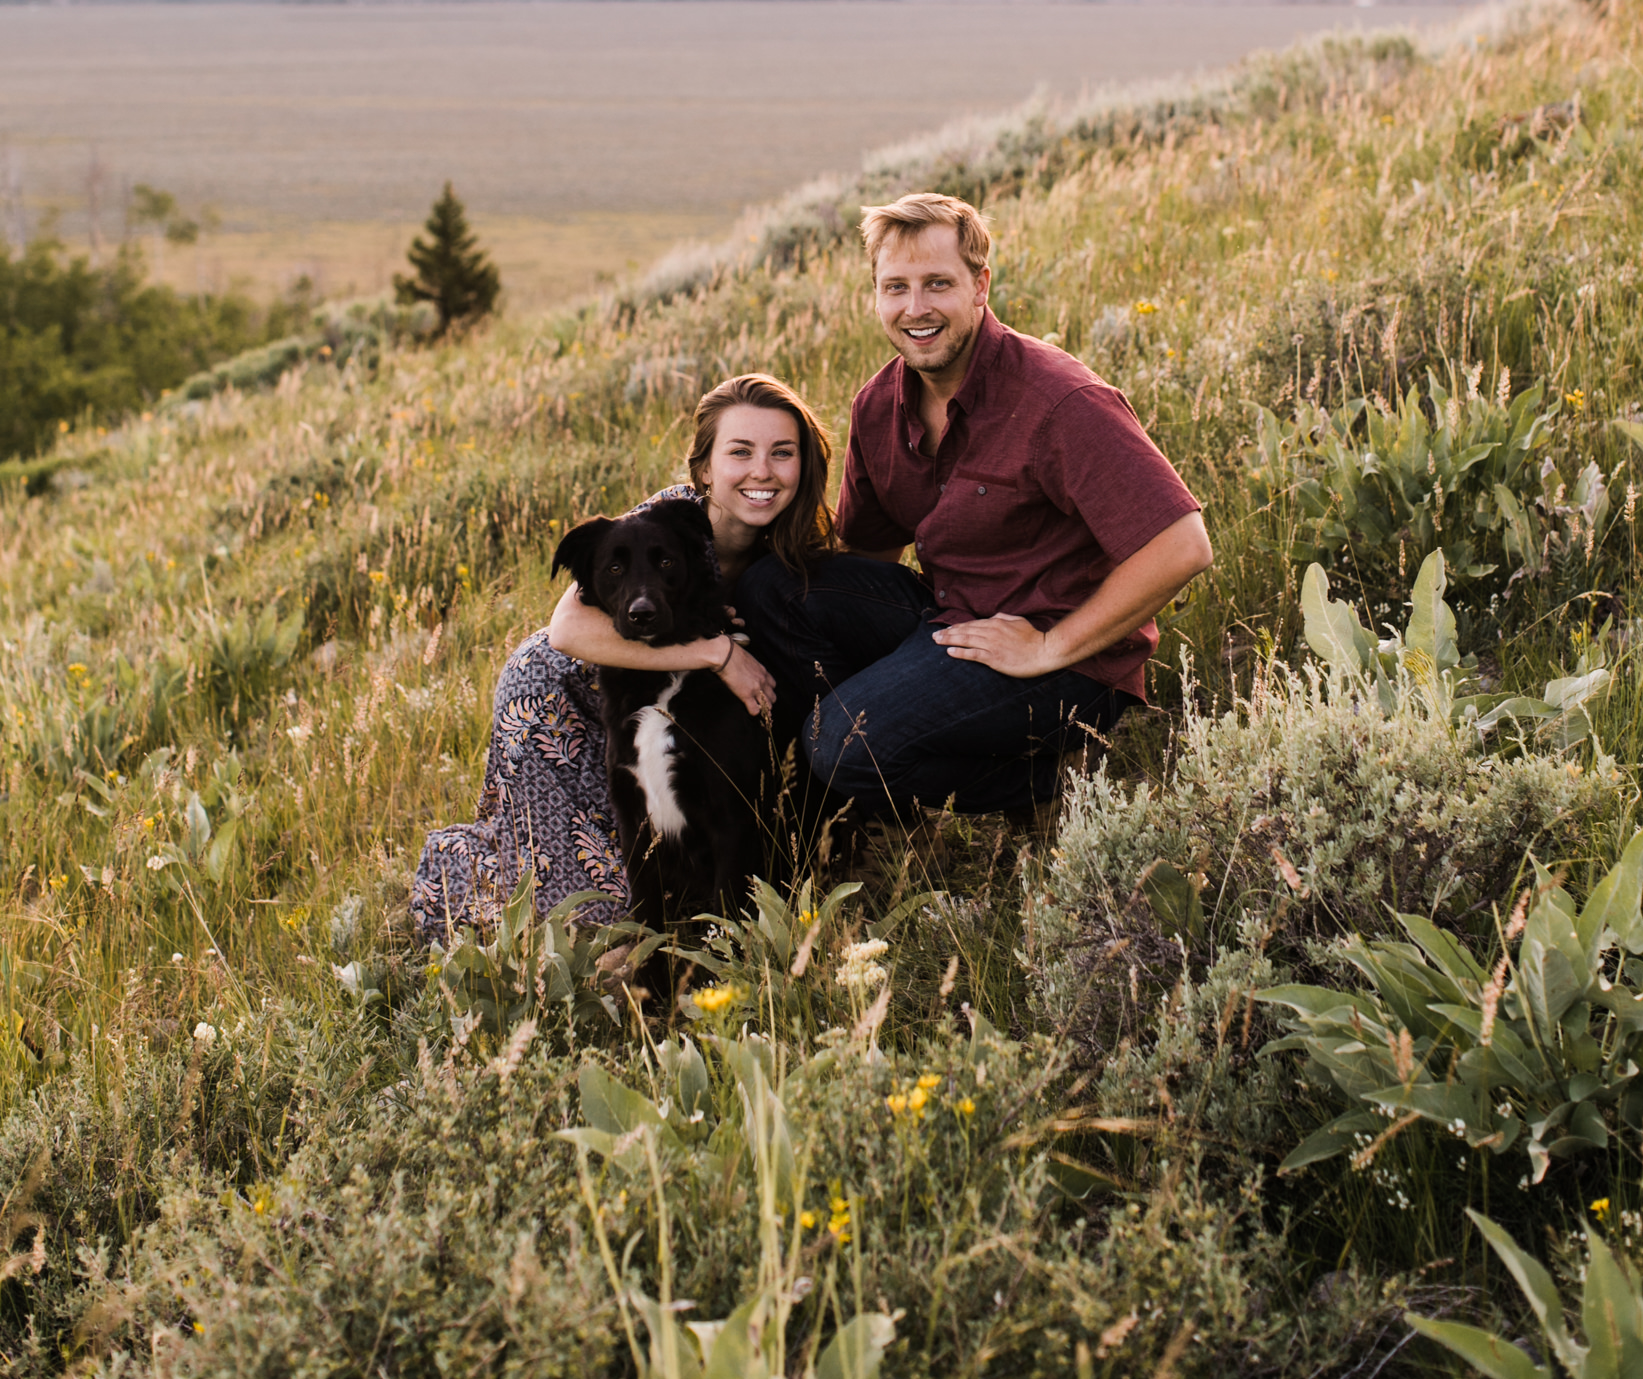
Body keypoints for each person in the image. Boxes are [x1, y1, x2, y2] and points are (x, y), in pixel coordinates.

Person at [737, 192, 1213, 823]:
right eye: (895, 287)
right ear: (876, 294)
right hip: (952, 623)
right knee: (776, 587)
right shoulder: (878, 406)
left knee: (839, 743)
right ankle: (861, 786)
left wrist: (1048, 647)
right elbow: (865, 559)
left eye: (938, 284)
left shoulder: (1058, 400)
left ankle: (1041, 784)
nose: (915, 309)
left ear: (980, 285)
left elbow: (1183, 544)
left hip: (1065, 658)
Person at [410, 372, 837, 937]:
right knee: (597, 893)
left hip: (651, 707)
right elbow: (565, 629)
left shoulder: (800, 542)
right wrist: (716, 653)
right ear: (704, 469)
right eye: (740, 452)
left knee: (659, 852)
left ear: (805, 463)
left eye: (782, 453)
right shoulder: (669, 518)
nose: (761, 471)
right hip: (562, 692)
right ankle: (474, 887)